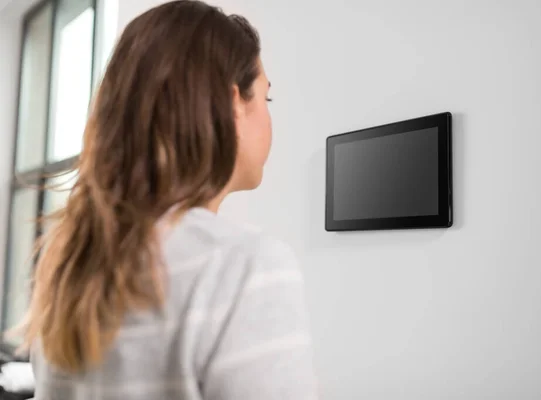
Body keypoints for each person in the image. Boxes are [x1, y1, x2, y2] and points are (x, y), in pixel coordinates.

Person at [17, 1, 318, 399]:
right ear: (232, 105)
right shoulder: (242, 267)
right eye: (266, 99)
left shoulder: (72, 259)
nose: (269, 117)